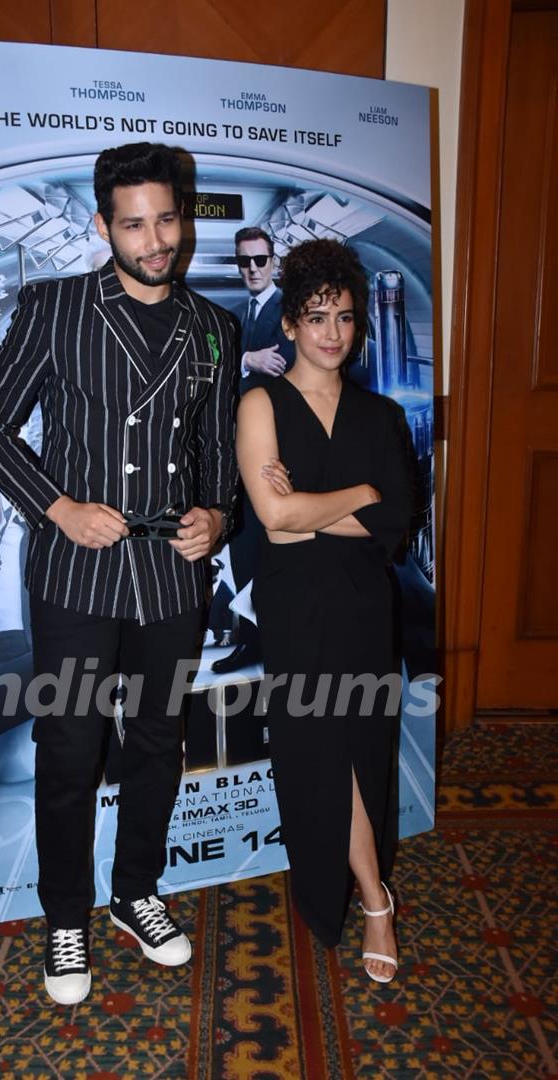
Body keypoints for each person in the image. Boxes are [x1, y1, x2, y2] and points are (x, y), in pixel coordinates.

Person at [0, 142, 237, 1006]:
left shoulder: (215, 329)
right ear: (101, 225)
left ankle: (136, 892)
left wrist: (218, 514)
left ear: (182, 217)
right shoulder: (56, 309)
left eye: (166, 219)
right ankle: (66, 914)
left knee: (159, 737)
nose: (155, 241)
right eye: (133, 223)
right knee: (71, 745)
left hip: (168, 571)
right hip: (76, 569)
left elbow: (219, 451)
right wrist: (59, 506)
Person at [236, 238, 413, 984]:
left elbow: (398, 524)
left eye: (344, 316)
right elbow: (273, 521)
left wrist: (314, 506)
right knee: (320, 752)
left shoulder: (380, 415)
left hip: (366, 605)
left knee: (363, 750)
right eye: (316, 316)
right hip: (296, 604)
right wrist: (359, 499)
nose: (333, 332)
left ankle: (370, 886)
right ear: (288, 325)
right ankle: (375, 898)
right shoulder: (259, 403)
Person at [212, 227, 294, 675]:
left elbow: (283, 368)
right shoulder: (239, 315)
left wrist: (249, 362)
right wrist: (248, 360)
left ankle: (277, 643)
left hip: (273, 457)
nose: (253, 269)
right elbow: (226, 366)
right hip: (242, 457)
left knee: (275, 553)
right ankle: (252, 641)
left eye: (260, 260)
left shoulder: (287, 312)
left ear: (274, 262)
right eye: (245, 262)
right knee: (244, 551)